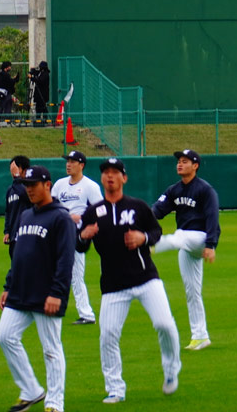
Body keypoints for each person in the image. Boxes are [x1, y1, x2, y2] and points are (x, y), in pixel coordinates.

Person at [77, 157, 180, 404]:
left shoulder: (138, 207)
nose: (109, 176)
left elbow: (156, 232)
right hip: (113, 285)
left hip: (146, 279)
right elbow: (78, 247)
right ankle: (115, 388)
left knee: (165, 324)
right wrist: (83, 235)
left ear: (124, 178)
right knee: (108, 335)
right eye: (106, 172)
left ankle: (171, 370)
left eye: (115, 172)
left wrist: (143, 237)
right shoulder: (93, 212)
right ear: (102, 178)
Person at [0, 165, 75, 412]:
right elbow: (19, 255)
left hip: (46, 294)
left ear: (47, 185)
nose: (29, 190)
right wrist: (8, 285)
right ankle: (31, 389)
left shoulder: (60, 217)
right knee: (5, 336)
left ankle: (55, 403)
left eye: (33, 185)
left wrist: (57, 293)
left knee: (51, 349)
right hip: (20, 292)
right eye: (26, 186)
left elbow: (65, 260)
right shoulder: (26, 215)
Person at [151, 149, 220, 350]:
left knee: (178, 237)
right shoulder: (174, 190)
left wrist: (211, 245)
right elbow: (158, 209)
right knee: (192, 292)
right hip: (186, 245)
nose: (179, 164)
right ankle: (200, 336)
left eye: (185, 161)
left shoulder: (205, 190)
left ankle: (148, 245)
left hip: (201, 238)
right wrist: (143, 219)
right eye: (178, 161)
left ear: (195, 165)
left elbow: (212, 218)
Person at [51, 150, 103, 325]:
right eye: (67, 161)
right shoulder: (59, 184)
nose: (68, 164)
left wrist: (85, 220)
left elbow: (101, 210)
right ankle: (48, 306)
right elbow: (50, 206)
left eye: (73, 162)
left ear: (82, 165)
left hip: (76, 236)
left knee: (75, 275)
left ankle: (87, 314)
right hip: (57, 233)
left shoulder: (90, 186)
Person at [4, 155, 31, 259]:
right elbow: (8, 212)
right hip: (14, 238)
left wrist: (17, 177)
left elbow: (25, 195)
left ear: (24, 170)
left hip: (27, 236)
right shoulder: (10, 190)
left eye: (15, 168)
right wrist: (7, 231)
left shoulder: (30, 187)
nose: (12, 171)